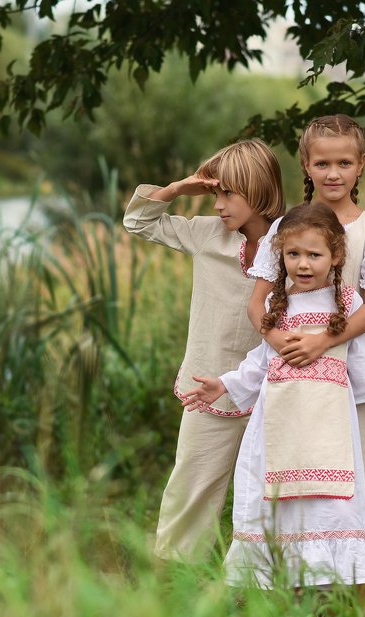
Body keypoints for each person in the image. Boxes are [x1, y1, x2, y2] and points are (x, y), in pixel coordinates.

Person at [181, 203, 365, 617]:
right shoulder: (277, 310)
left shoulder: (346, 303)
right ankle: (290, 598)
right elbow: (257, 363)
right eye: (293, 254)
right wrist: (223, 384)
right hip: (280, 426)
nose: (302, 264)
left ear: (336, 256)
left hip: (330, 426)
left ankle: (363, 604)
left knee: (341, 509)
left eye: (314, 255)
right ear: (281, 256)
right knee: (283, 508)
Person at [246, 114, 365, 582]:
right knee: (302, 462)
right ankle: (300, 571)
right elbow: (257, 304)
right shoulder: (286, 229)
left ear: (361, 166)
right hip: (295, 367)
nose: (332, 173)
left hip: (350, 357)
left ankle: (364, 575)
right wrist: (278, 341)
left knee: (362, 464)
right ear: (306, 164)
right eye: (322, 163)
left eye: (343, 162)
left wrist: (323, 342)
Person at [122, 139, 286, 561]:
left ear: (260, 189)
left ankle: (281, 574)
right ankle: (176, 571)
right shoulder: (205, 234)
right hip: (207, 382)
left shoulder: (293, 239)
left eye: (229, 193)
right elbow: (138, 223)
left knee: (279, 486)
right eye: (215, 193)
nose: (218, 205)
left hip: (278, 384)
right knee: (193, 480)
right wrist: (178, 188)